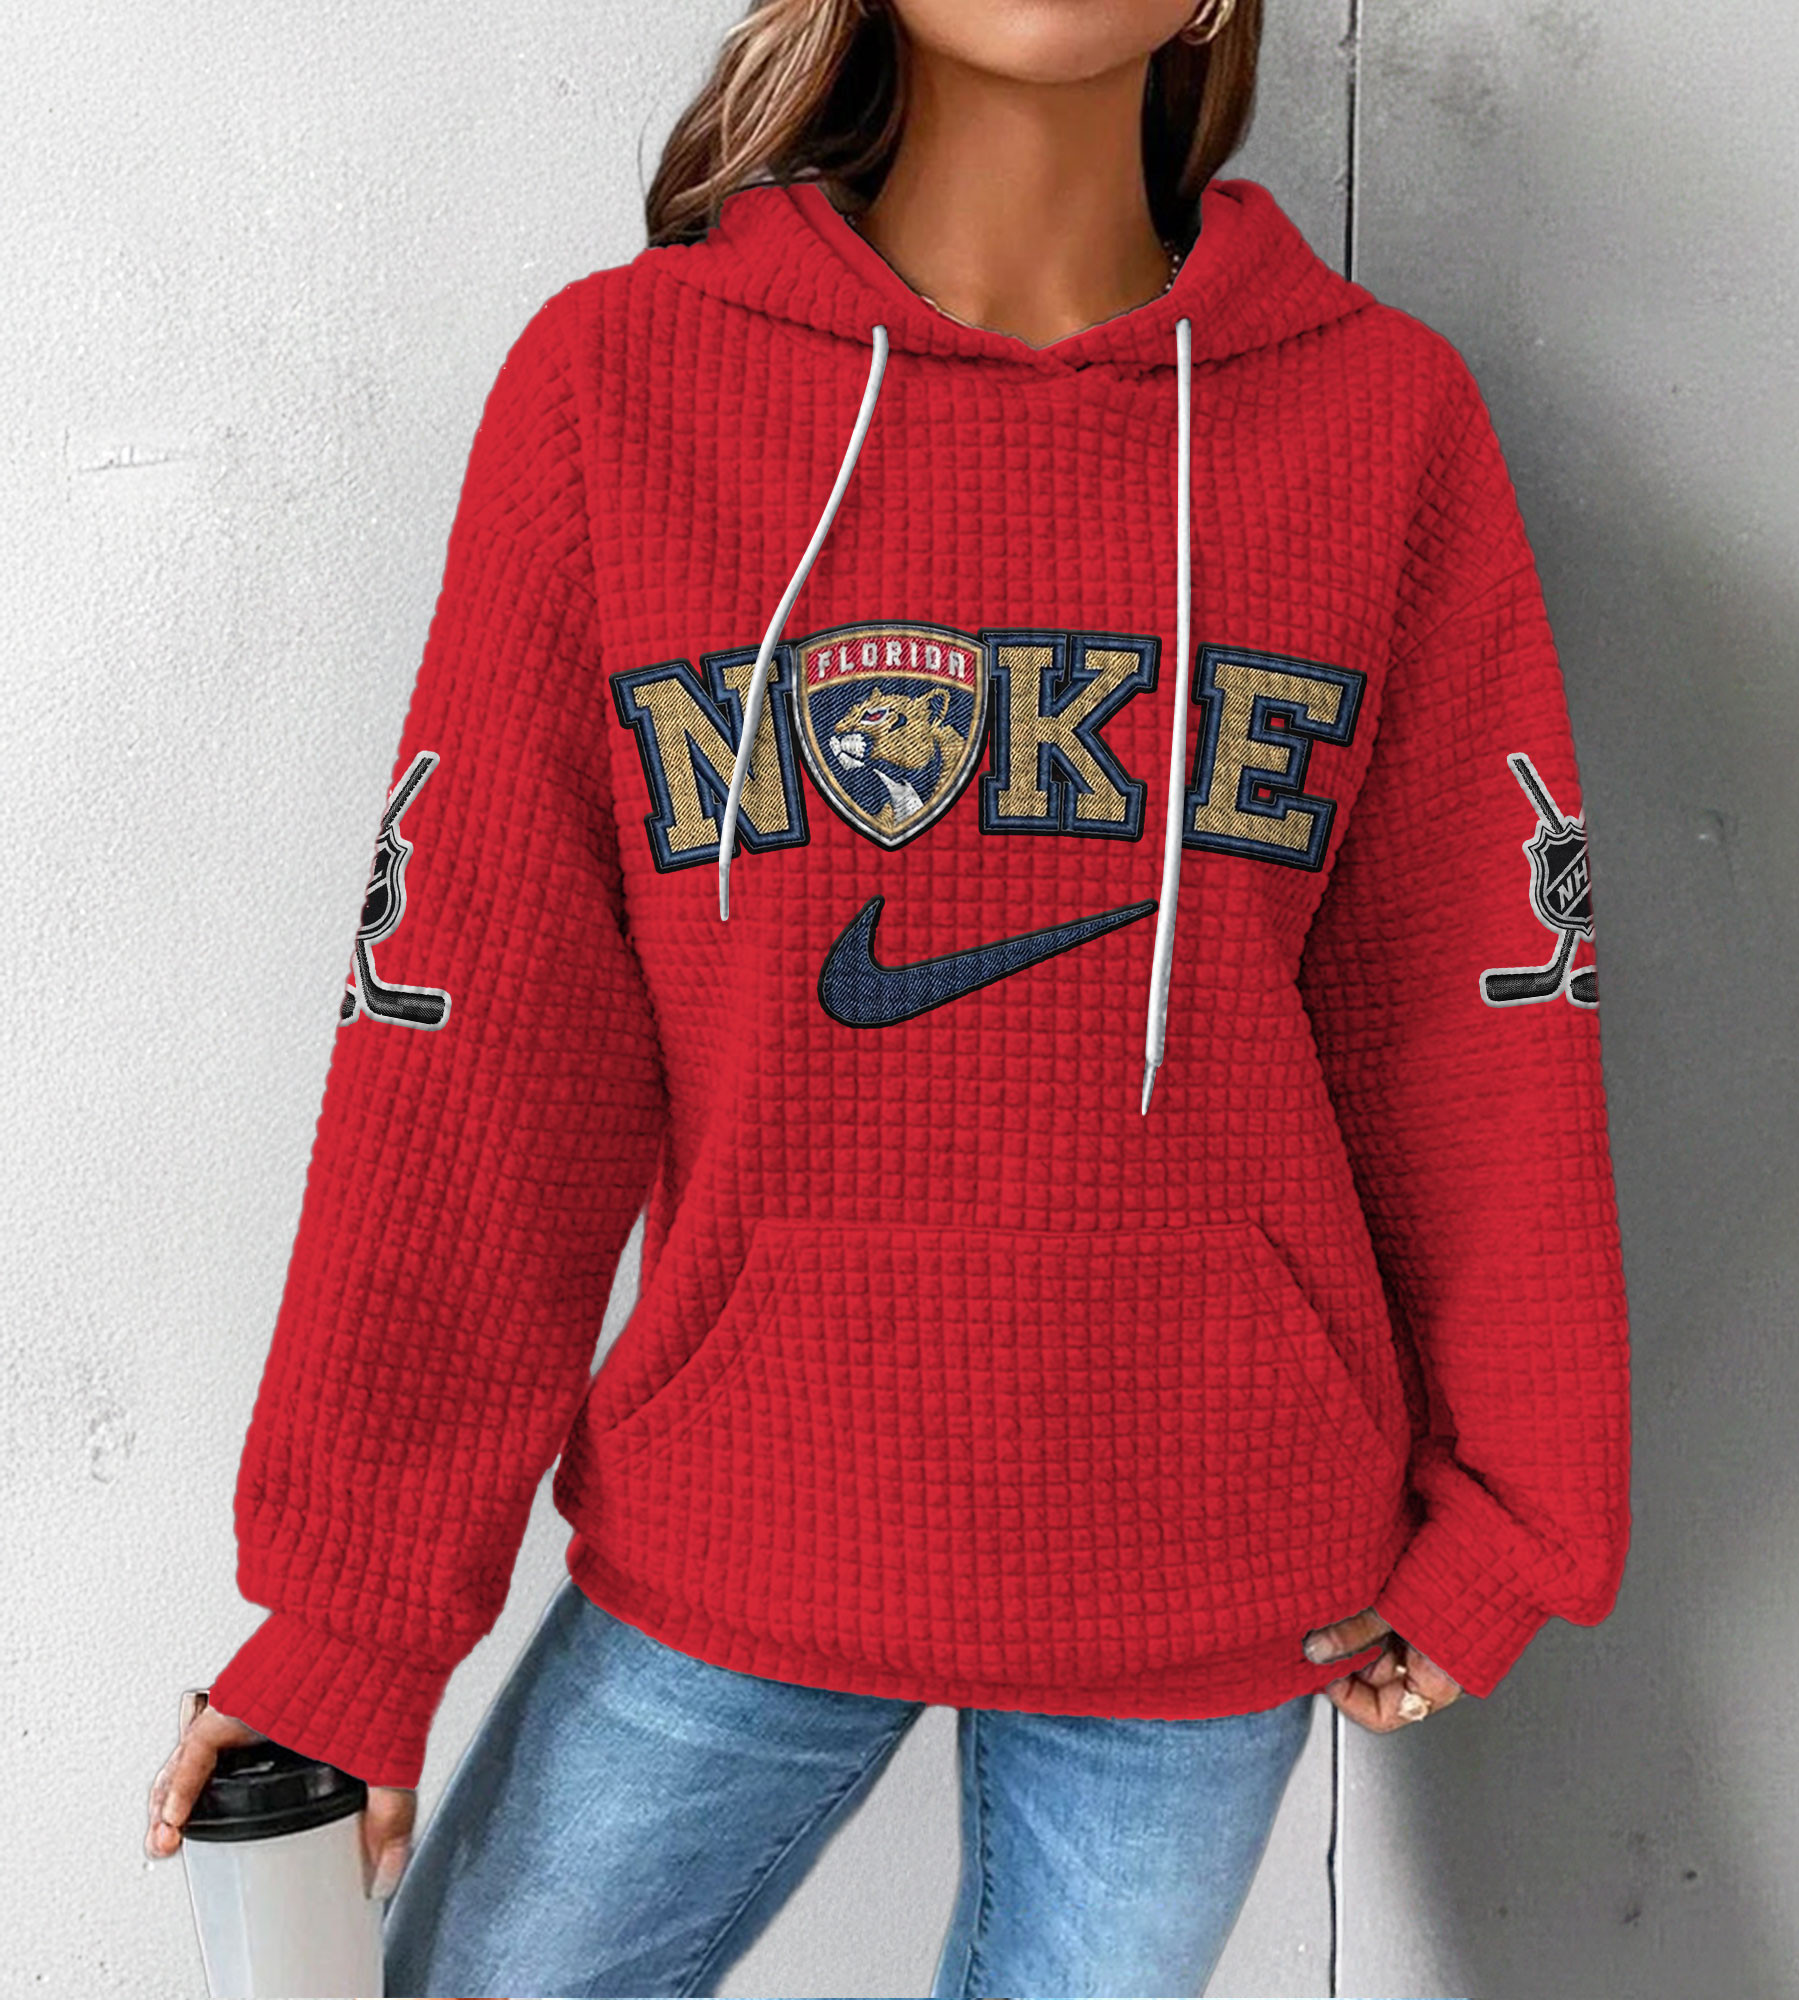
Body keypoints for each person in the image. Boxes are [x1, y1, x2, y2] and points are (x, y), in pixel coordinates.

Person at [145, 0, 1633, 1992]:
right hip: (747, 1521)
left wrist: (1518, 1509)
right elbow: (480, 1040)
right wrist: (351, 1619)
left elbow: (1475, 1013)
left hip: (1208, 1544)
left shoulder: (1378, 423)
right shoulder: (622, 389)